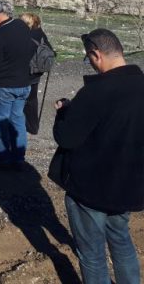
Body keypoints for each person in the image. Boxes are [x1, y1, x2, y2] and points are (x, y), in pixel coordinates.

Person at [49, 29, 144, 283]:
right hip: (128, 184)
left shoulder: (94, 92)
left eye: (88, 58)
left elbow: (67, 138)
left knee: (91, 254)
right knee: (121, 240)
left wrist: (63, 113)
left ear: (96, 54)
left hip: (91, 187)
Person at [0, 0, 34, 167]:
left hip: (3, 85)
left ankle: (2, 157)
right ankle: (18, 157)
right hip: (24, 82)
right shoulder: (21, 25)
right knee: (18, 119)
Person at [20, 12, 55, 135]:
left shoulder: (24, 35)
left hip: (26, 71)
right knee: (32, 99)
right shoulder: (40, 33)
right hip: (37, 71)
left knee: (20, 97)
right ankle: (33, 126)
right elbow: (51, 50)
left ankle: (19, 124)